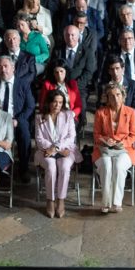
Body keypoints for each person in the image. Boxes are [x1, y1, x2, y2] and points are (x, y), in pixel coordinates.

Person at [93, 82, 135, 213]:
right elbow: (96, 135)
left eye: (118, 95)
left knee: (118, 166)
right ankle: (106, 203)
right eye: (111, 96)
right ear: (107, 98)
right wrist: (106, 140)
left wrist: (122, 143)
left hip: (125, 149)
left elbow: (134, 135)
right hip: (103, 149)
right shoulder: (100, 113)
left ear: (123, 95)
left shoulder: (130, 112)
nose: (115, 99)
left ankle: (116, 203)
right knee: (107, 166)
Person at [33, 90, 80, 218]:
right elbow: (39, 139)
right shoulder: (39, 117)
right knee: (51, 167)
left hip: (66, 150)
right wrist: (53, 149)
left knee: (64, 167)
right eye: (55, 102)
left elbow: (71, 137)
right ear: (49, 102)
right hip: (45, 151)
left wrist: (56, 148)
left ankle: (61, 199)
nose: (57, 105)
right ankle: (50, 200)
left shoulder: (68, 115)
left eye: (60, 102)